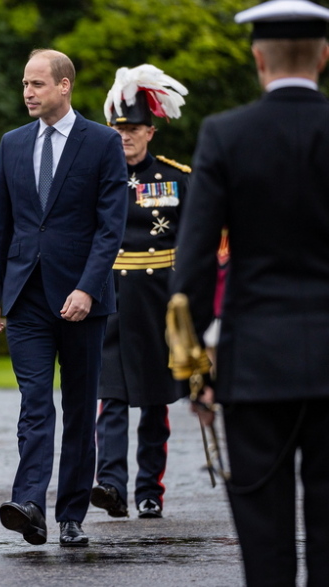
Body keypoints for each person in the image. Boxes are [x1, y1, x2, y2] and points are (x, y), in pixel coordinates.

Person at [171, 1, 329, 584]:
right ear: (325, 57)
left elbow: (190, 268)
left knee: (264, 537)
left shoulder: (225, 134)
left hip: (254, 361)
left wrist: (193, 368)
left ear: (258, 59)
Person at [0, 48, 127, 547]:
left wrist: (87, 287)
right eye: (25, 83)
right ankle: (29, 505)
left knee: (81, 407)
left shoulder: (103, 142)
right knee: (35, 401)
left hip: (84, 299)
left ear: (65, 86)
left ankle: (71, 516)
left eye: (37, 84)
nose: (27, 92)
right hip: (25, 298)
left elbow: (111, 229)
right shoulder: (12, 144)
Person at [90, 65, 190, 521]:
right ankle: (111, 484)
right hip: (109, 297)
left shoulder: (177, 179)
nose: (125, 136)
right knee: (110, 397)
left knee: (153, 400)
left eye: (133, 129)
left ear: (150, 130)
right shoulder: (95, 178)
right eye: (119, 128)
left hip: (156, 301)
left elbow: (193, 241)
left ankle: (149, 490)